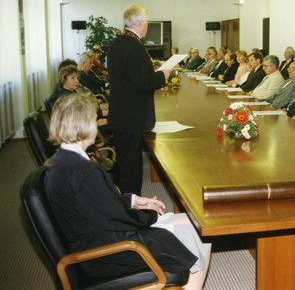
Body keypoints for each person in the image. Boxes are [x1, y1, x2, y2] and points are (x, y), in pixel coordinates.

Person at [45, 93, 210, 290]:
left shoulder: (62, 161)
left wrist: (135, 201)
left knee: (192, 222)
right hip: (109, 252)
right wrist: (149, 213)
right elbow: (116, 218)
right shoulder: (83, 171)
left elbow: (98, 205)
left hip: (97, 239)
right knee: (200, 235)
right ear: (83, 124)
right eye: (93, 120)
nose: (97, 125)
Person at [107, 4, 169, 195]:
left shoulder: (117, 43)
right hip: (131, 117)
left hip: (121, 112)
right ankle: (133, 209)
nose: (147, 25)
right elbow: (142, 83)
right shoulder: (135, 46)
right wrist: (163, 76)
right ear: (141, 23)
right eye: (148, 22)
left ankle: (130, 203)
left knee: (126, 163)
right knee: (131, 168)